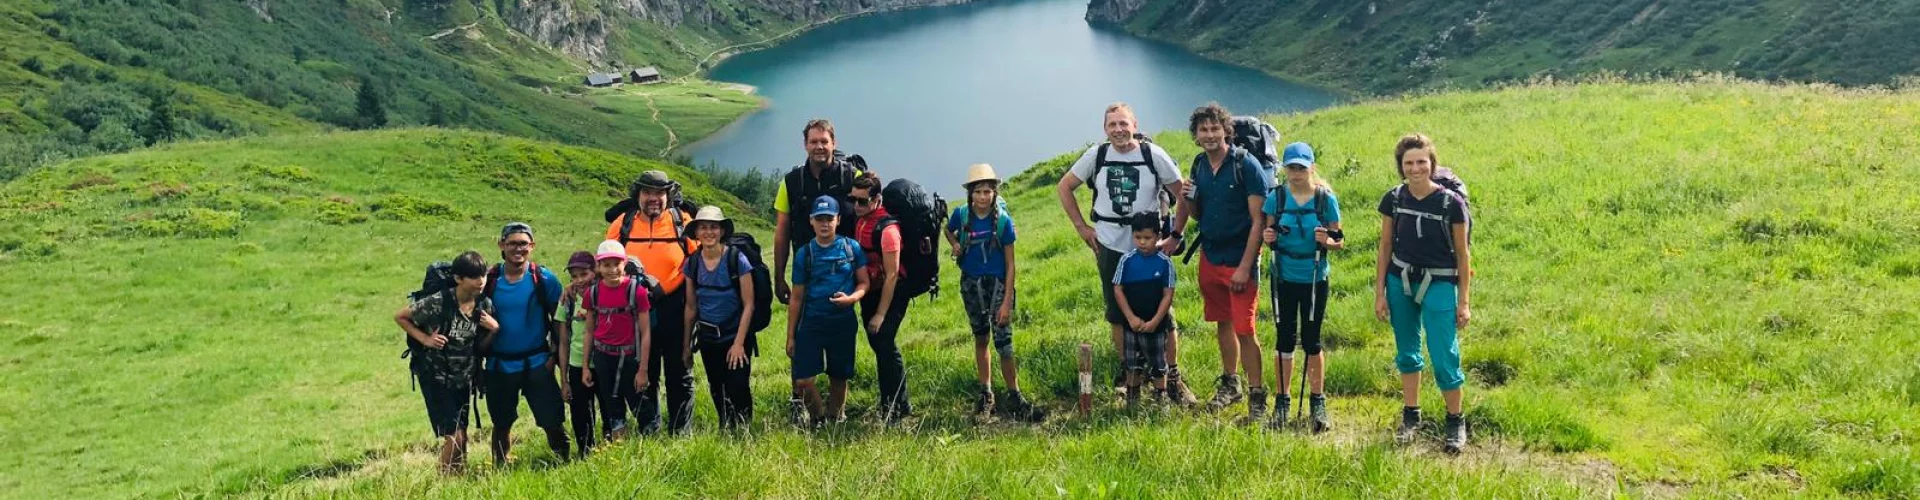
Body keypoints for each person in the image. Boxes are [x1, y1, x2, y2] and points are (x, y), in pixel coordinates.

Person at [1055, 102, 1197, 404]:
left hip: (1150, 247)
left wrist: (1176, 235)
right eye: (1112, 125)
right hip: (1110, 245)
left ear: (1134, 125)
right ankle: (1130, 372)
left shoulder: (1153, 155)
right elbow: (1064, 187)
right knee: (1117, 311)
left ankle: (1171, 375)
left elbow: (1182, 193)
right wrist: (1082, 228)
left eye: (1123, 123)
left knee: (1163, 310)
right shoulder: (1097, 155)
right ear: (1105, 129)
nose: (1118, 130)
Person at [1165, 103, 1271, 418]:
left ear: (1226, 130)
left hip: (1240, 258)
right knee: (1223, 322)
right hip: (1210, 255)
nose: (1210, 135)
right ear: (1196, 135)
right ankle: (1231, 384)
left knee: (1245, 328)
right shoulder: (1199, 164)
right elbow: (1198, 215)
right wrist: (1188, 199)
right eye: (1203, 130)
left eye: (1215, 128)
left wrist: (1245, 267)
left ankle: (1257, 396)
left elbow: (1259, 221)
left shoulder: (1245, 165)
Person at [1373, 133, 1473, 453]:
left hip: (1440, 282)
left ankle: (1455, 421)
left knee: (1444, 355)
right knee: (1407, 352)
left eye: (1421, 162)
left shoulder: (1451, 204)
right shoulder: (1394, 199)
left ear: (1432, 163)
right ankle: (1411, 416)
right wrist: (1379, 292)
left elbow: (1463, 255)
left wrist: (1464, 302)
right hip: (1399, 281)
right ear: (1400, 166)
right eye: (1409, 163)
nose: (1415, 169)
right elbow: (1385, 246)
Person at [605, 171, 698, 434]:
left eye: (659, 193)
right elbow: (605, 262)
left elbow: (699, 261)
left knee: (679, 372)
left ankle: (680, 432)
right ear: (638, 195)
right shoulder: (622, 224)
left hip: (675, 305)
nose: (653, 198)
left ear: (669, 195)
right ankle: (650, 429)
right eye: (647, 193)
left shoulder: (682, 221)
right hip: (633, 309)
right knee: (644, 371)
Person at [1261, 142, 1345, 432]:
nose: (1296, 173)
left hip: (1314, 277)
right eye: (1291, 167)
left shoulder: (1325, 199)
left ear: (1311, 167)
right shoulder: (1276, 198)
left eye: (1301, 167)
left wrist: (1327, 241)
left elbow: (1338, 240)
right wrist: (1268, 237)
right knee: (1284, 339)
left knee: (1312, 340)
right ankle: (1282, 402)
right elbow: (1269, 232)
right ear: (1284, 168)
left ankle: (1317, 402)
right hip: (1283, 276)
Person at [393, 250, 498, 475]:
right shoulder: (439, 302)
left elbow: (481, 347)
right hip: (436, 376)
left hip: (464, 377)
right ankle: (443, 482)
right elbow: (401, 316)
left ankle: (457, 477)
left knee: (462, 434)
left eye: (483, 275)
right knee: (455, 436)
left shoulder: (484, 305)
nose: (481, 281)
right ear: (458, 278)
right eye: (474, 277)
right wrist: (425, 339)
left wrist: (494, 329)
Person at [945, 164, 1034, 422]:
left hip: (998, 286)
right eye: (978, 192)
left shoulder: (1003, 222)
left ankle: (1014, 393)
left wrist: (1006, 302)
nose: (983, 197)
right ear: (970, 194)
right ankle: (986, 393)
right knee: (981, 337)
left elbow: (1010, 264)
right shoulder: (962, 215)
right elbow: (948, 230)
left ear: (995, 193)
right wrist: (955, 245)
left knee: (1004, 343)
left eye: (987, 191)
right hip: (971, 285)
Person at [481, 222, 568, 465]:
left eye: (523, 244)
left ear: (532, 246)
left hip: (538, 362)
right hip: (499, 365)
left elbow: (559, 320)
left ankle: (564, 463)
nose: (517, 249)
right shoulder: (489, 280)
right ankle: (500, 467)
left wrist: (554, 356)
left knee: (552, 420)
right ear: (501, 245)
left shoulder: (544, 279)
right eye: (512, 243)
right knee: (501, 423)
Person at [786, 196, 871, 426]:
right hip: (811, 323)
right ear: (811, 221)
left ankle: (836, 420)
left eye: (829, 219)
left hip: (843, 322)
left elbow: (864, 283)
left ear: (838, 220)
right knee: (803, 380)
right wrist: (791, 336)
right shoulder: (805, 253)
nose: (825, 224)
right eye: (820, 219)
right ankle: (818, 419)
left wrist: (852, 298)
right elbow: (796, 297)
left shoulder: (851, 248)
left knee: (839, 376)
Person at [681, 206, 758, 430]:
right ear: (696, 232)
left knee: (738, 386)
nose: (709, 232)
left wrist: (739, 344)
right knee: (717, 387)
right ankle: (726, 428)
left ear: (722, 231)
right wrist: (686, 347)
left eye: (714, 227)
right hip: (708, 338)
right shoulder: (692, 263)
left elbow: (749, 304)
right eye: (703, 227)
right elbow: (691, 307)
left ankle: (744, 431)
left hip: (735, 335)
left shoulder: (737, 259)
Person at [773, 119, 865, 304]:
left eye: (824, 141)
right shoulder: (791, 182)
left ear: (834, 143)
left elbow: (870, 217)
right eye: (814, 142)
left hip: (845, 272)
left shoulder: (852, 176)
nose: (819, 147)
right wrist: (779, 277)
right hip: (807, 271)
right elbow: (782, 232)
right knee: (806, 320)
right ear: (805, 145)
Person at [847, 173, 915, 422]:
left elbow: (892, 275)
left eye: (862, 201)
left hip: (893, 291)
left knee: (884, 341)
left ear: (876, 199)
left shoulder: (888, 231)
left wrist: (880, 314)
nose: (856, 206)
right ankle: (891, 404)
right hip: (872, 290)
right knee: (878, 344)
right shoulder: (862, 221)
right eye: (853, 199)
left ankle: (897, 407)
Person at [582, 240, 653, 440]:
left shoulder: (636, 291)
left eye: (617, 264)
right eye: (606, 265)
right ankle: (620, 447)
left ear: (625, 263)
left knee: (639, 403)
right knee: (612, 403)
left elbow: (646, 332)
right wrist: (586, 366)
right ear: (598, 266)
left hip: (630, 357)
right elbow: (589, 331)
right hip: (603, 357)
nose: (612, 270)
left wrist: (643, 370)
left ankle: (650, 444)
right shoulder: (593, 293)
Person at [1111, 213, 1177, 406]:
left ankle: (1160, 397)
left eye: (1147, 238)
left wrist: (1156, 320)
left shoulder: (1164, 263)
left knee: (1158, 362)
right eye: (1137, 237)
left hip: (1156, 324)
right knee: (1132, 364)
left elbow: (1168, 294)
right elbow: (1118, 289)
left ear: (1158, 236)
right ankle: (1133, 399)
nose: (1142, 242)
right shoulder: (1126, 261)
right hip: (1132, 324)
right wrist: (1130, 317)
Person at [558, 250, 599, 456]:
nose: (579, 280)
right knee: (581, 414)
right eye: (574, 276)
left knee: (609, 410)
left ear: (595, 271)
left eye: (584, 274)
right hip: (576, 364)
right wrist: (564, 380)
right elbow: (563, 342)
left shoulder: (604, 293)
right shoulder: (568, 300)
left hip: (603, 361)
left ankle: (613, 451)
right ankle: (586, 454)